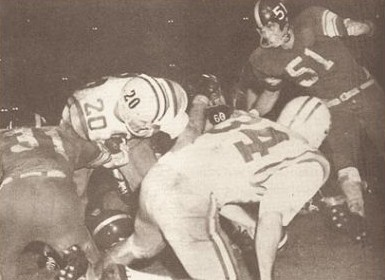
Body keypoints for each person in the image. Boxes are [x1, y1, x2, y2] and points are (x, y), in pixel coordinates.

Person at [98, 96, 331, 280]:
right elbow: (271, 217)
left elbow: (219, 186)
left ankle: (88, 275)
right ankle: (133, 277)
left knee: (135, 247)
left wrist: (250, 224)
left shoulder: (247, 119)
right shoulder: (309, 158)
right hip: (189, 198)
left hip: (158, 178)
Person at [235, 0, 385, 230]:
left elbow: (348, 26)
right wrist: (252, 113)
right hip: (334, 108)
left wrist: (363, 26)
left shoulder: (312, 19)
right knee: (345, 166)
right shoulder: (264, 59)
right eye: (262, 29)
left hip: (366, 93)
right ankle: (358, 218)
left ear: (284, 21)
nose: (267, 33)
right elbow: (270, 94)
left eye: (271, 26)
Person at [60, 73, 211, 205]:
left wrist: (201, 99)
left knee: (154, 193)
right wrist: (106, 157)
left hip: (119, 128)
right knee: (71, 198)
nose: (155, 130)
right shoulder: (85, 121)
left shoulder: (148, 94)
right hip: (81, 135)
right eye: (148, 125)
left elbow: (190, 135)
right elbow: (80, 150)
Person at [0, 124, 128, 280]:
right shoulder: (65, 133)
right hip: (57, 194)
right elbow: (109, 158)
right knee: (93, 262)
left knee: (6, 263)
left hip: (13, 195)